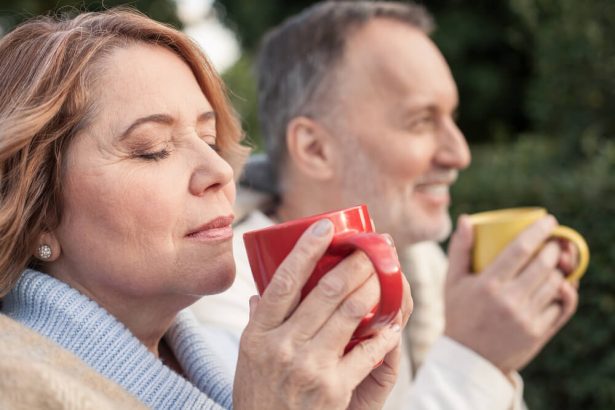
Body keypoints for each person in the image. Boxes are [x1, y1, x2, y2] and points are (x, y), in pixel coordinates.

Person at [0, 8, 412, 409]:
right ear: (37, 213)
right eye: (153, 150)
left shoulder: (245, 360)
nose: (220, 170)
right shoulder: (15, 387)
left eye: (210, 140)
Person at [191, 1, 579, 409]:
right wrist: (474, 361)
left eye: (452, 118)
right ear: (315, 148)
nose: (459, 153)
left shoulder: (424, 266)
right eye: (421, 121)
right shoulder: (225, 310)